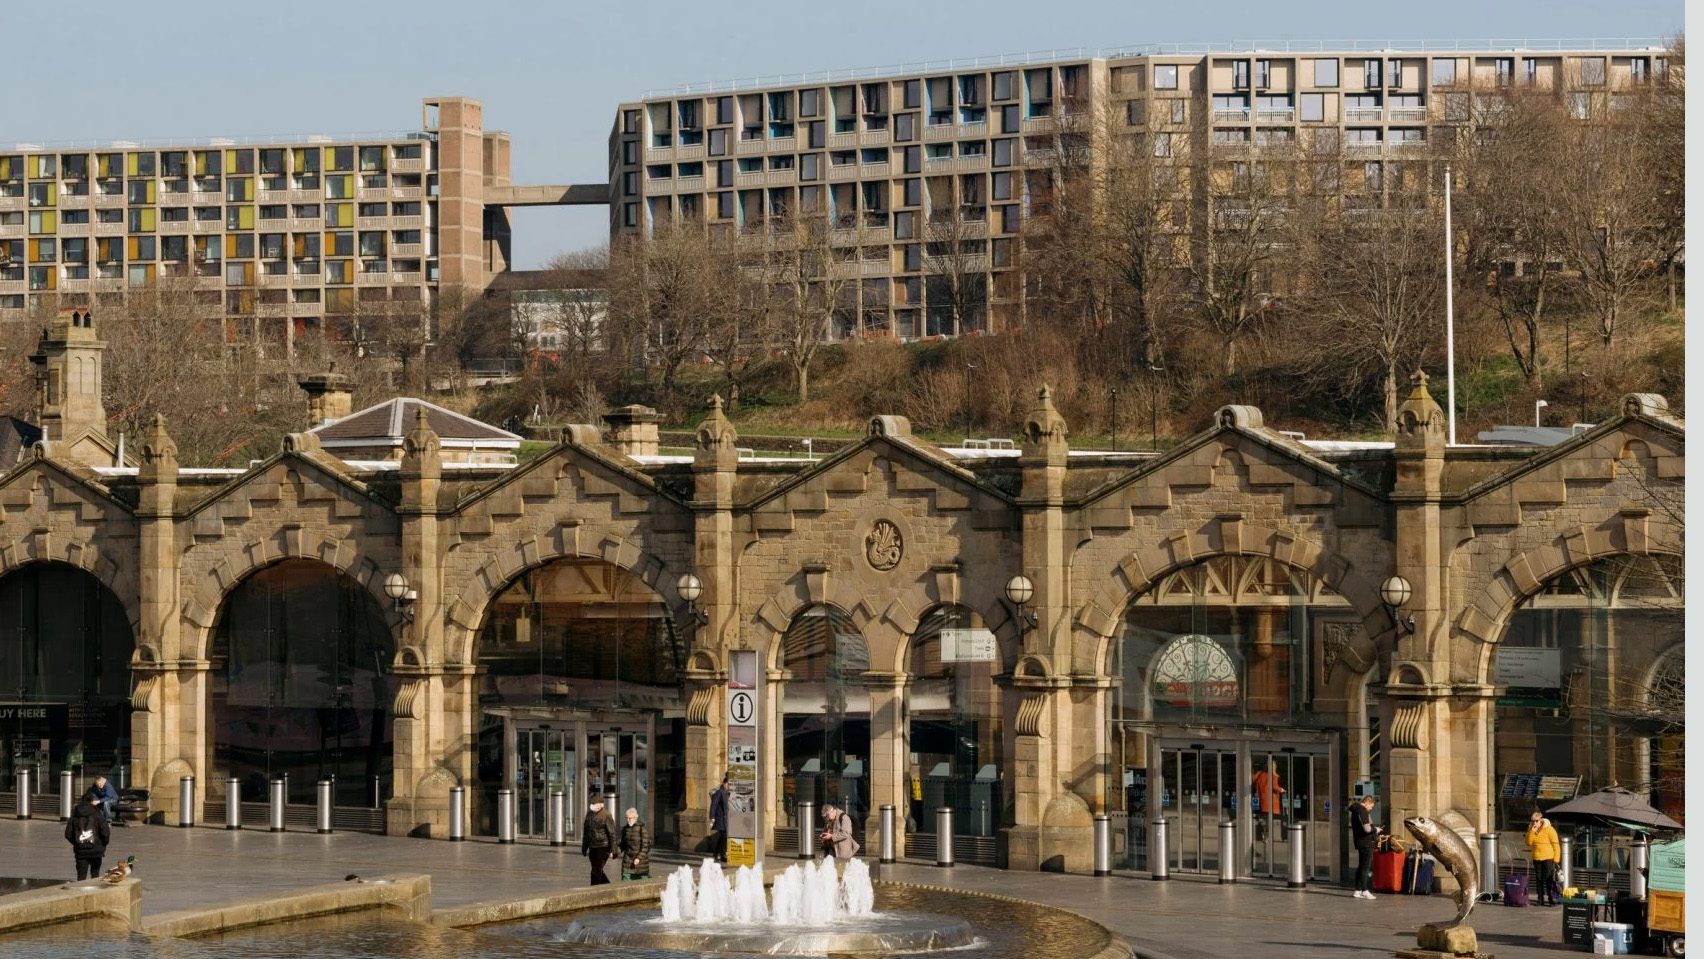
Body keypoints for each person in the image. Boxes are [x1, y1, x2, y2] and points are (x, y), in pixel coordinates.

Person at [65, 789, 111, 881]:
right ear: (92, 801)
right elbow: (105, 832)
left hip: (81, 852)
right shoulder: (98, 814)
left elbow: (68, 834)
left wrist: (77, 843)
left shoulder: (75, 814)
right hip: (96, 851)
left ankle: (81, 894)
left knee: (81, 877)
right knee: (95, 875)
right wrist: (103, 845)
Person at [1526, 811, 1562, 907]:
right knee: (1539, 879)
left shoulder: (1549, 829)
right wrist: (1532, 832)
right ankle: (1540, 899)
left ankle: (1551, 899)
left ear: (1541, 820)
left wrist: (1556, 859)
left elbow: (1556, 845)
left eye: (1536, 821)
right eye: (1532, 821)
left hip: (1548, 857)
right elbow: (1528, 843)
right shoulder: (1531, 829)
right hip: (1537, 857)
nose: (1534, 823)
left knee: (1549, 879)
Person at [1349, 794, 1380, 900]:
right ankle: (1365, 890)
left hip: (1359, 841)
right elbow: (1367, 829)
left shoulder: (1355, 810)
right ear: (1367, 803)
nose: (1371, 809)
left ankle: (1357, 890)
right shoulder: (1362, 811)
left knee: (1361, 866)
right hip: (1366, 842)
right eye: (1371, 806)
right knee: (1365, 867)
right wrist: (1376, 830)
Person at [581, 800, 616, 885]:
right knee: (596, 869)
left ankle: (594, 888)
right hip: (592, 846)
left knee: (596, 870)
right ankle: (607, 886)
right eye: (592, 803)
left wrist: (613, 850)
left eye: (594, 804)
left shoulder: (606, 815)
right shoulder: (589, 814)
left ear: (600, 805)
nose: (592, 805)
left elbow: (612, 834)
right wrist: (584, 847)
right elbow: (586, 832)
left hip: (603, 846)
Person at [1252, 763, 1286, 839]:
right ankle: (1266, 834)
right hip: (1270, 801)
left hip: (1262, 800)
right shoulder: (1273, 776)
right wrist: (1281, 789)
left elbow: (1253, 779)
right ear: (1274, 767)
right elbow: (1274, 786)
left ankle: (1264, 832)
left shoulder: (1260, 774)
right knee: (1268, 819)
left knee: (1265, 817)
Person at [619, 807, 650, 880]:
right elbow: (622, 844)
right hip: (627, 860)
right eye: (626, 818)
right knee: (625, 879)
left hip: (640, 862)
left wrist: (638, 858)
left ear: (635, 818)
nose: (628, 820)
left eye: (630, 818)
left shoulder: (642, 829)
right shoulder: (625, 829)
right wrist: (615, 852)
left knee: (641, 882)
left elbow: (646, 846)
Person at [709, 775, 730, 863]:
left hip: (726, 819)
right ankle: (721, 855)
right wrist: (712, 817)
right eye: (728, 784)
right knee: (723, 836)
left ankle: (718, 854)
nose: (728, 786)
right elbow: (713, 805)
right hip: (720, 818)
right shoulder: (719, 792)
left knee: (722, 837)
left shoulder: (727, 793)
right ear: (724, 783)